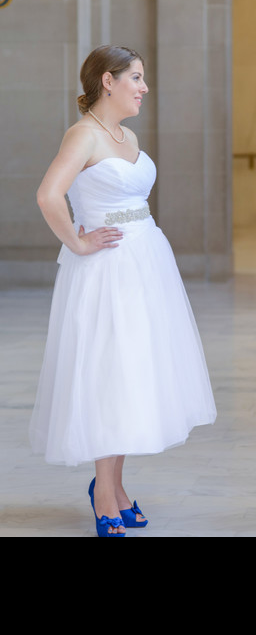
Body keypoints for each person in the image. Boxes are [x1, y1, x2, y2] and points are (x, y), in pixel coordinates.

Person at [31, 45, 217, 537]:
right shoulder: (83, 135)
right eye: (136, 77)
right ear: (107, 82)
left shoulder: (125, 134)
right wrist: (76, 240)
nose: (144, 87)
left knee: (132, 373)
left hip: (146, 263)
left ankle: (114, 487)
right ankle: (104, 491)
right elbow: (49, 194)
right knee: (107, 374)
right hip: (105, 270)